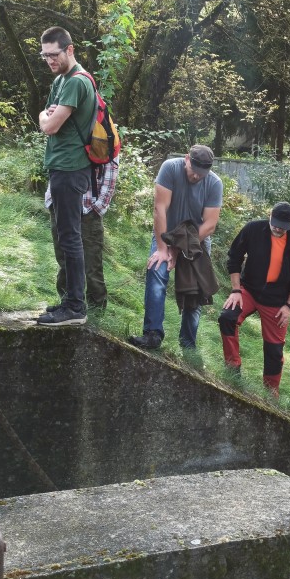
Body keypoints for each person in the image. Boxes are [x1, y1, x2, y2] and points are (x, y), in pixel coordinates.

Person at [128, 144, 223, 351]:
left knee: (194, 291)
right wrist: (163, 249)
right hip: (167, 234)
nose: (197, 177)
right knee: (157, 269)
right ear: (186, 158)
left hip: (196, 239)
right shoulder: (170, 168)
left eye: (202, 174)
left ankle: (188, 345)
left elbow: (209, 225)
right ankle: (152, 334)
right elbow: (159, 208)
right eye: (194, 171)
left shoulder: (214, 183)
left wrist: (179, 250)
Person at [36, 26, 100, 327]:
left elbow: (49, 125)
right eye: (45, 55)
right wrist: (47, 117)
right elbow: (49, 117)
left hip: (71, 168)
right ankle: (70, 300)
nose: (49, 60)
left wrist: (45, 118)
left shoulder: (75, 82)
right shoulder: (60, 80)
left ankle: (75, 306)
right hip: (62, 166)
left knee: (70, 236)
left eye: (54, 54)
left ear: (70, 50)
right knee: (65, 234)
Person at [219, 202, 290, 396]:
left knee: (274, 350)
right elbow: (234, 257)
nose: (277, 228)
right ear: (270, 216)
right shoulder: (253, 229)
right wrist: (236, 290)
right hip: (249, 291)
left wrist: (289, 306)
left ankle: (271, 391)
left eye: (283, 226)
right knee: (227, 317)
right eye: (275, 223)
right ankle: (232, 369)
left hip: (277, 301)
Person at [43, 157, 117, 315]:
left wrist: (97, 208)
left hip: (89, 209)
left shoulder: (102, 132)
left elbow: (111, 171)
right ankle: (66, 304)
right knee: (64, 260)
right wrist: (51, 199)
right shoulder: (65, 131)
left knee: (92, 266)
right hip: (59, 204)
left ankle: (96, 313)